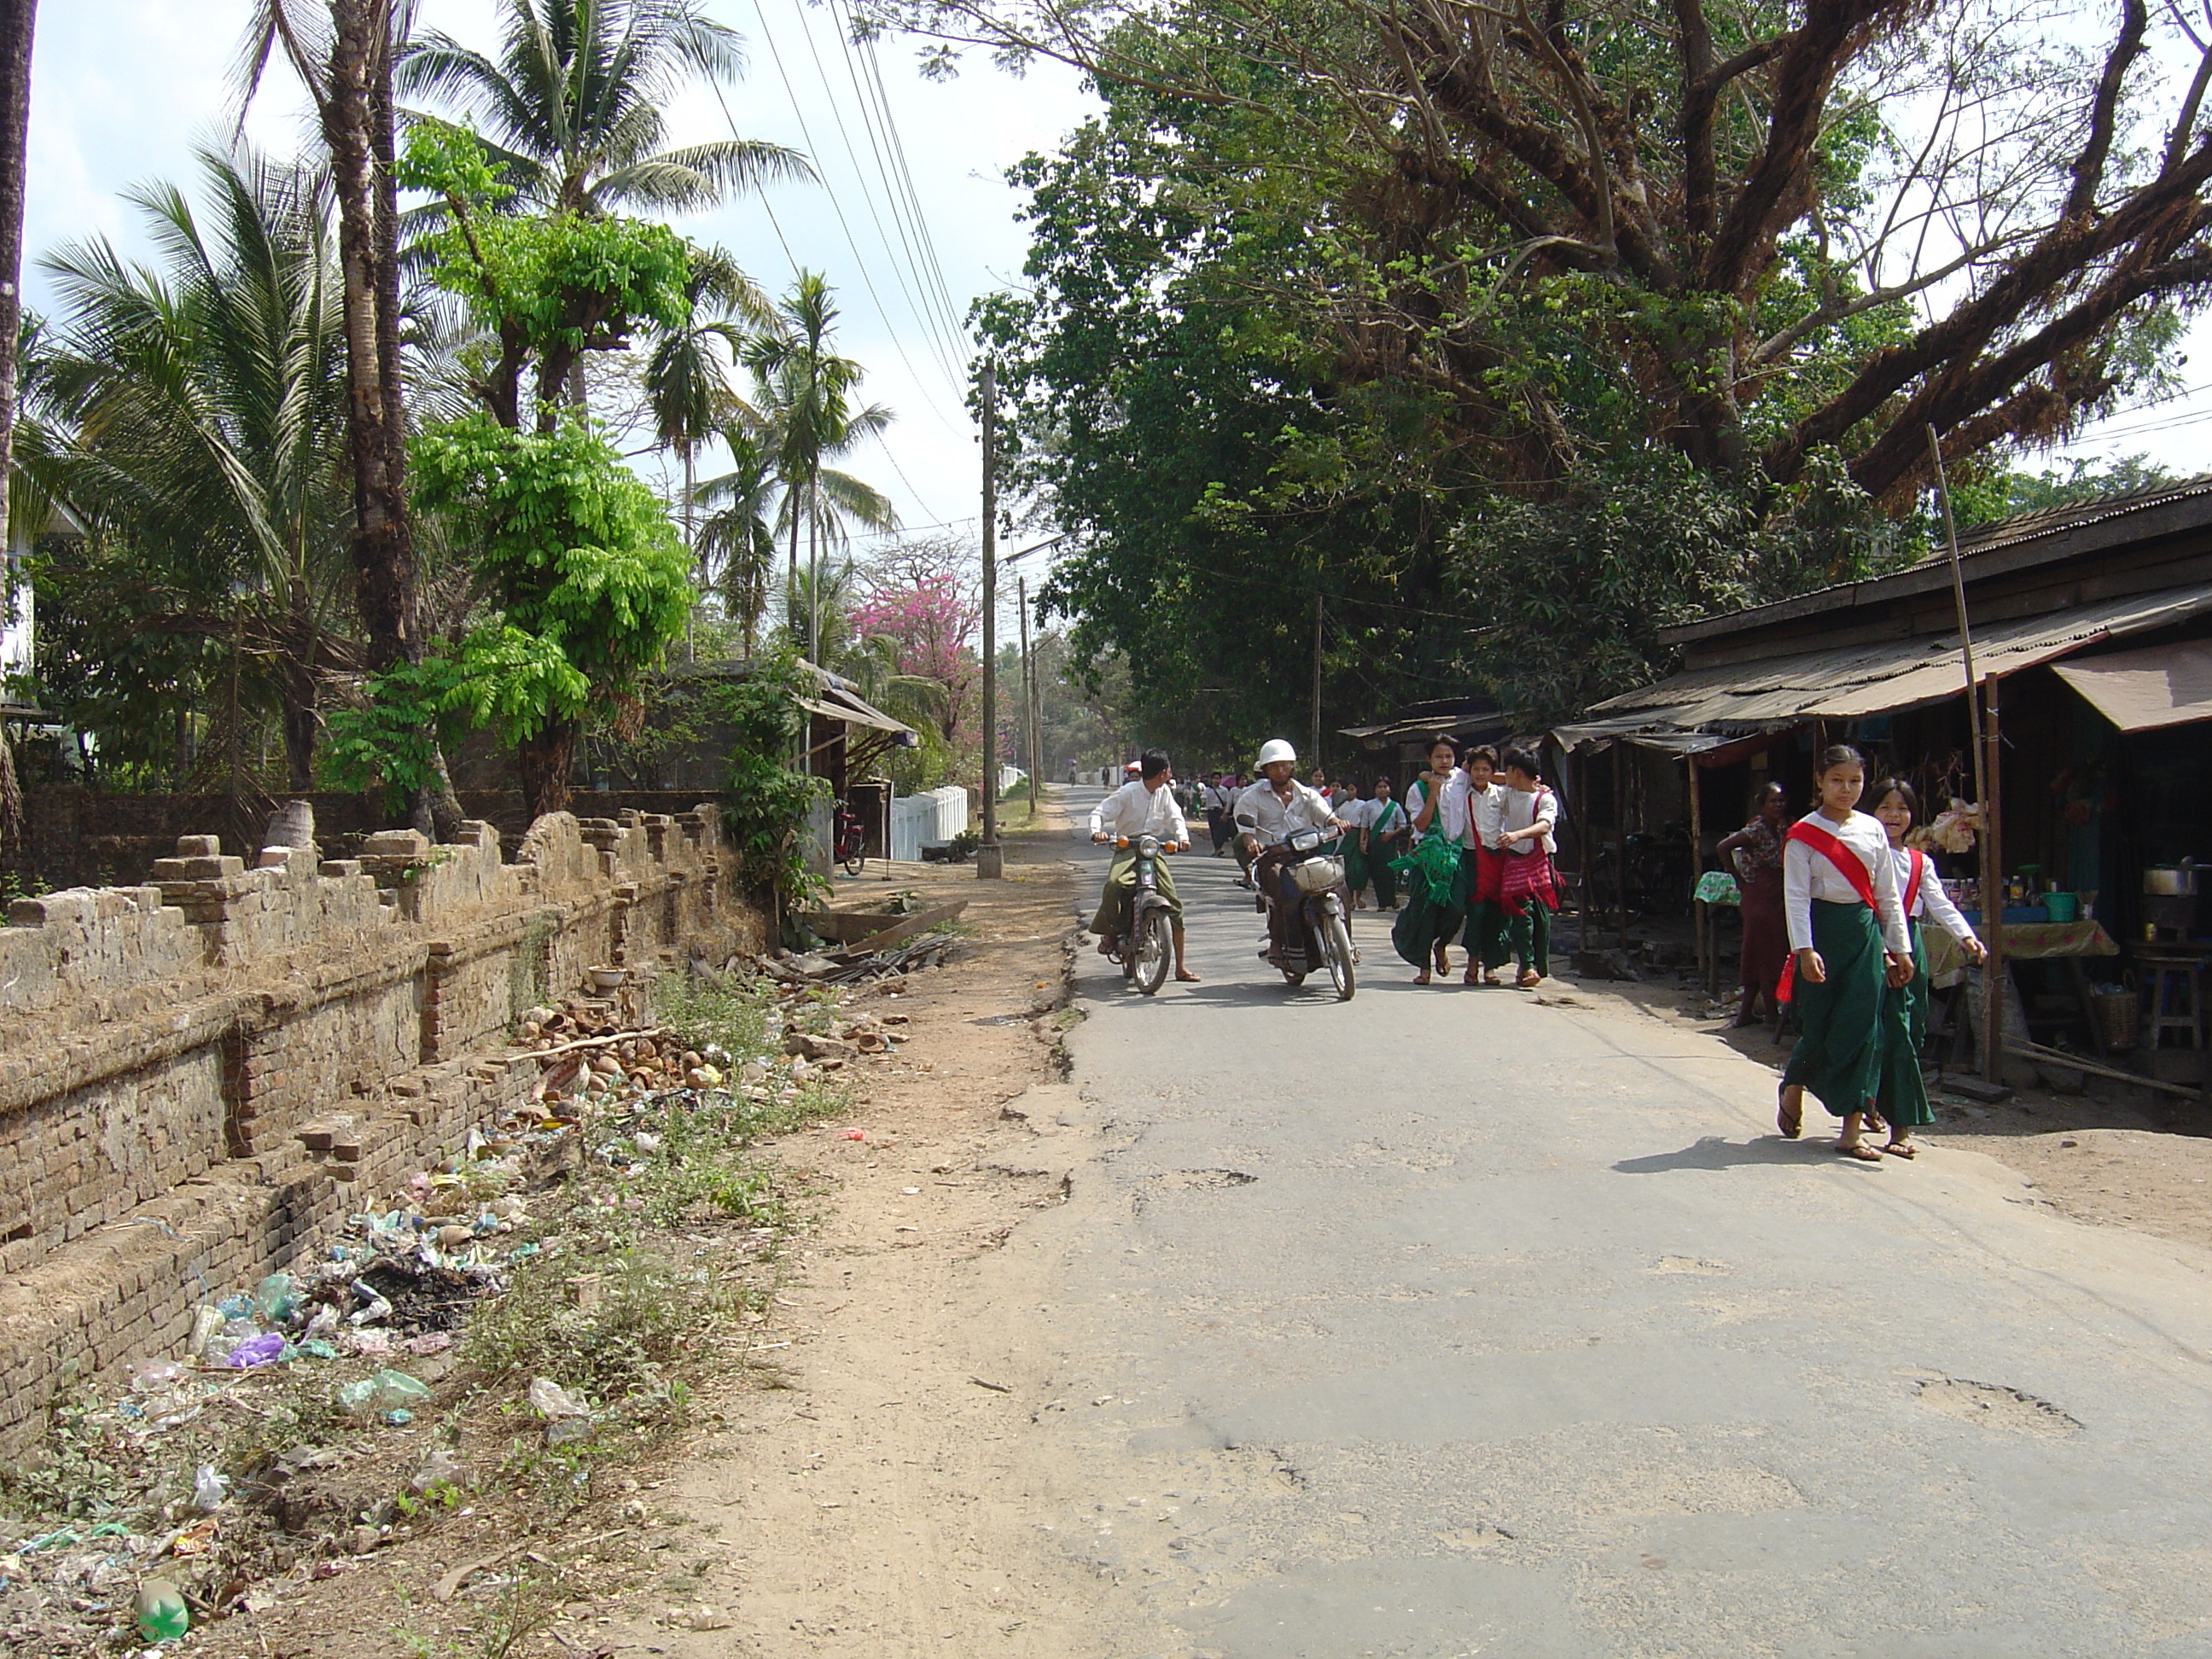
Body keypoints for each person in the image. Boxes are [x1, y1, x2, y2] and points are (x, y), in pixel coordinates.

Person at [1775, 745, 1912, 1160]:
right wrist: (1804, 949)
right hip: (1821, 935)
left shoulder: (1872, 829)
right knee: (1819, 1026)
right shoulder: (1803, 834)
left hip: (1864, 935)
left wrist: (1899, 947)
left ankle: (1851, 1130)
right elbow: (1796, 898)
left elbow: (1887, 894)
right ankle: (1793, 1085)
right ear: (1820, 781)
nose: (1847, 789)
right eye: (1837, 780)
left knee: (1863, 1027)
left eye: (1855, 781)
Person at [1868, 778, 1986, 1159]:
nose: (1893, 815)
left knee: (1908, 1030)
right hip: (1870, 944)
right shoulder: (1862, 854)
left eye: (1901, 808)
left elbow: (1940, 904)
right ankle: (1892, 1119)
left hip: (1910, 948)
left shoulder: (1919, 862)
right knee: (1877, 1030)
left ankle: (1883, 1106)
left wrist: (1965, 937)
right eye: (1885, 807)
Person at [1087, 749, 1200, 982]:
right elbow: (1100, 812)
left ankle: (1180, 966)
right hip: (1127, 846)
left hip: (1152, 848)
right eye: (1168, 769)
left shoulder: (1164, 792)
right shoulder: (1127, 793)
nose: (1170, 773)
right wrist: (1097, 831)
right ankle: (1110, 932)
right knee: (1115, 884)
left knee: (1174, 902)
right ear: (1162, 773)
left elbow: (1175, 817)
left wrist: (1183, 837)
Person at [1233, 740, 1346, 966]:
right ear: (1265, 769)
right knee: (1283, 890)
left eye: (1285, 765)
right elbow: (1246, 829)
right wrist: (1251, 841)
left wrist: (1337, 822)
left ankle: (1348, 946)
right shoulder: (1252, 796)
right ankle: (1281, 943)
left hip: (1306, 854)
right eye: (1274, 766)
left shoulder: (1307, 794)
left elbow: (1325, 815)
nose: (1280, 770)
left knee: (1340, 885)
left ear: (1292, 766)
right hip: (1272, 857)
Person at [1392, 736, 1470, 985]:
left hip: (1455, 857)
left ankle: (1442, 944)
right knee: (1425, 912)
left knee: (1457, 908)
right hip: (1427, 858)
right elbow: (1421, 824)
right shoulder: (1419, 789)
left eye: (1448, 756)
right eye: (1438, 756)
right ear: (1429, 759)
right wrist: (1433, 793)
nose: (1444, 761)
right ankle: (1423, 968)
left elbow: (1488, 776)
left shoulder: (1462, 779)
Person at [1716, 783, 1790, 1028]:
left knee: (1766, 953)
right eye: (1773, 801)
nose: (1778, 805)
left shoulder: (1781, 828)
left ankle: (1747, 1011)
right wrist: (1739, 880)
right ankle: (1769, 1013)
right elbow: (1723, 847)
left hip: (1776, 894)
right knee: (1763, 952)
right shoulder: (1756, 830)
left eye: (1781, 801)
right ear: (1762, 805)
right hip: (1759, 896)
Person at [1496, 748, 1560, 987]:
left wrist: (1517, 835)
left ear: (1516, 772)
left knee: (1542, 918)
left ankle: (1532, 966)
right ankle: (1529, 966)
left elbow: (1544, 826)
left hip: (1540, 860)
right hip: (1515, 860)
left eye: (1509, 770)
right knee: (1521, 915)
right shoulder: (1507, 794)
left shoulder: (1545, 798)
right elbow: (1484, 776)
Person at [1462, 746, 1509, 985]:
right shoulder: (1462, 794)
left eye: (1485, 769)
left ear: (1493, 772)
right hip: (1471, 858)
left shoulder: (1502, 795)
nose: (1480, 774)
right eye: (1476, 769)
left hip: (1497, 858)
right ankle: (1471, 964)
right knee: (1476, 912)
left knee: (1496, 912)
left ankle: (1490, 967)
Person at [1359, 777, 1408, 911]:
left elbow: (1403, 824)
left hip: (1390, 841)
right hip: (1375, 841)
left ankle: (1392, 900)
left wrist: (1391, 834)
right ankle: (1382, 903)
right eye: (1379, 787)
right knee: (1377, 872)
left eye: (1385, 786)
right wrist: (1362, 842)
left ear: (1389, 789)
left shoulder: (1395, 806)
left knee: (1390, 872)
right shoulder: (1369, 805)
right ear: (1375, 790)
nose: (1382, 789)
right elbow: (1364, 825)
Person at [1337, 786, 1375, 908]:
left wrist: (1363, 840)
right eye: (1347, 790)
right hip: (1344, 837)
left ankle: (1358, 897)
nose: (1350, 792)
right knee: (1347, 869)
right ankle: (1350, 899)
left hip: (1357, 835)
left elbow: (1365, 823)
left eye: (1352, 789)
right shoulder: (1339, 805)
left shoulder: (1363, 805)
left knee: (1359, 869)